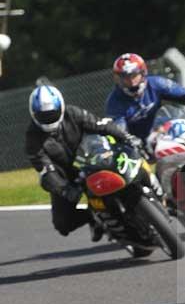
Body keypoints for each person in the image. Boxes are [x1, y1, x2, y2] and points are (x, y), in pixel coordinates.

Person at [25, 83, 142, 241]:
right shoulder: (32, 138)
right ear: (34, 114)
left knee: (131, 159)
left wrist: (127, 138)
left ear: (61, 107)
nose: (48, 119)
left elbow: (101, 125)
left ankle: (148, 190)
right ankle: (94, 217)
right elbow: (46, 170)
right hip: (66, 176)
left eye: (52, 114)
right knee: (62, 224)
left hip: (92, 158)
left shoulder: (73, 113)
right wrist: (64, 189)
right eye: (43, 115)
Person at [105, 52, 185, 142]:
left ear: (143, 73)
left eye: (134, 75)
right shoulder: (114, 101)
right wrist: (130, 140)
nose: (131, 81)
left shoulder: (156, 83)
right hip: (138, 145)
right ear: (118, 78)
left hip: (164, 133)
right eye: (125, 77)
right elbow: (119, 129)